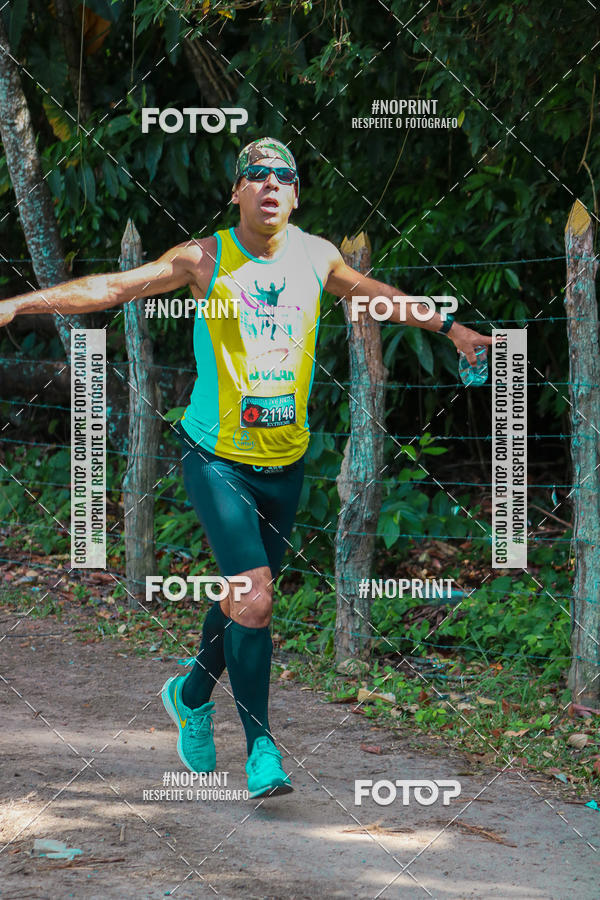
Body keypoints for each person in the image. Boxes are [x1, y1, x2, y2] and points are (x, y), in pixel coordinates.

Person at [0, 137, 492, 798]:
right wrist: (20, 303)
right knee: (256, 595)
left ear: (295, 194)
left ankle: (190, 690)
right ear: (237, 192)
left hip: (285, 465)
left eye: (282, 176)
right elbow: (114, 286)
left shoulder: (318, 258)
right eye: (254, 175)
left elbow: (377, 295)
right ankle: (262, 748)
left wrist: (450, 329)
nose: (268, 184)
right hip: (215, 458)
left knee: (243, 598)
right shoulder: (204, 258)